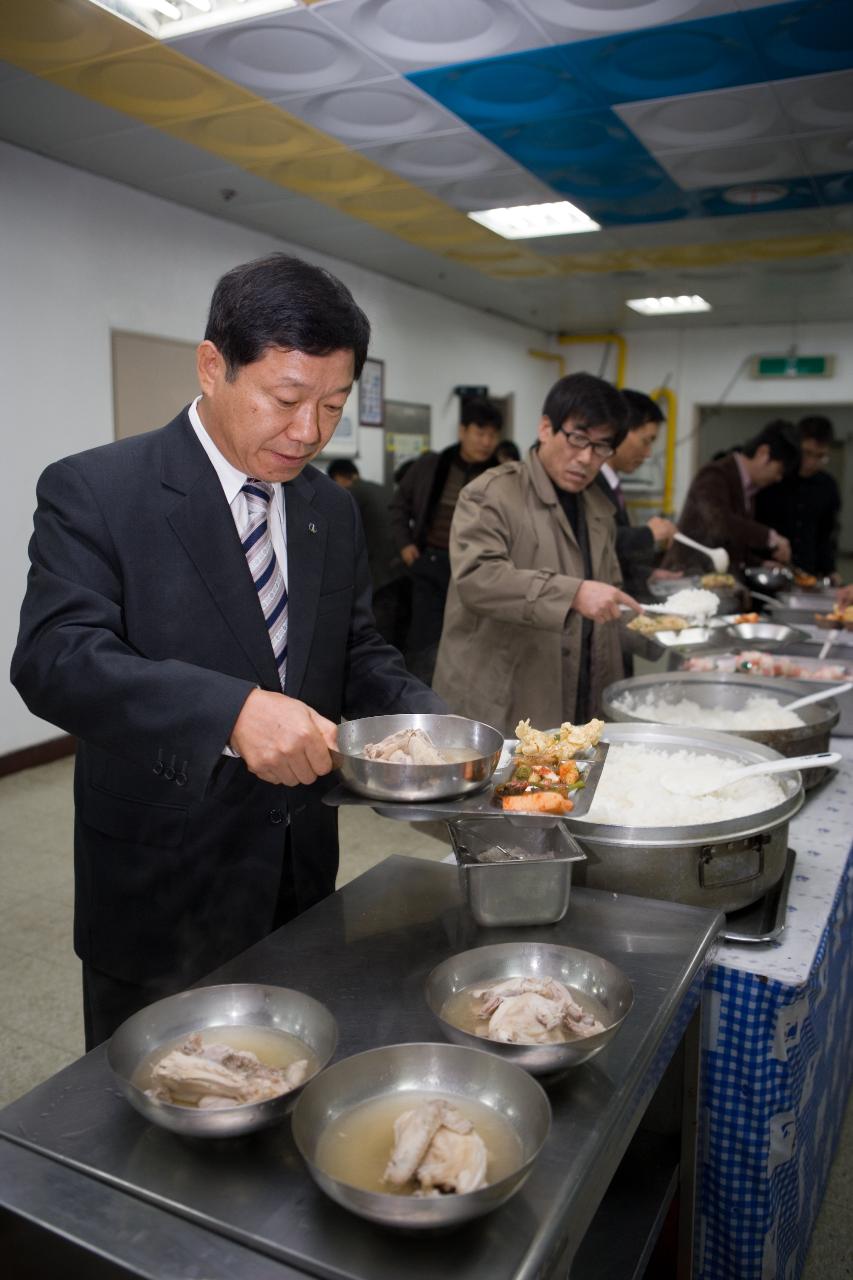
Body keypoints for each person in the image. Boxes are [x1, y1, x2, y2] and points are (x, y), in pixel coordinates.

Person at [11, 253, 443, 1049]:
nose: (308, 432)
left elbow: (352, 649)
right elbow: (55, 657)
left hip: (297, 867)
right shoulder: (98, 490)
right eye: (285, 399)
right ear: (213, 366)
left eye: (333, 405)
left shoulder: (328, 510)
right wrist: (231, 711)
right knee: (151, 1117)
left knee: (292, 1080)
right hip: (161, 877)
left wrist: (434, 725)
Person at [432, 372, 641, 734]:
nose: (586, 458)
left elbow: (610, 601)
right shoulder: (492, 493)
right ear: (546, 428)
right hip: (505, 702)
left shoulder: (598, 508)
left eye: (601, 447)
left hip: (578, 696)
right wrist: (573, 594)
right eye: (577, 439)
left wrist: (669, 634)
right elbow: (478, 579)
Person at [390, 397, 502, 683]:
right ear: (462, 431)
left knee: (470, 639)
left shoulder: (500, 476)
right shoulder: (432, 465)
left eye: (492, 435)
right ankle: (418, 699)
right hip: (431, 561)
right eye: (480, 432)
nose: (486, 441)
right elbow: (398, 505)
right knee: (423, 639)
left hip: (478, 570)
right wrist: (405, 544)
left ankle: (461, 701)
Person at [664, 419, 800, 577]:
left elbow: (731, 544)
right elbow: (718, 523)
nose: (778, 478)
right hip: (685, 578)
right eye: (779, 470)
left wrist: (760, 563)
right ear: (763, 453)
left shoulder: (749, 489)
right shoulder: (714, 474)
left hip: (714, 580)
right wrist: (770, 537)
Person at [596, 389, 677, 600]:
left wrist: (648, 573)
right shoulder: (592, 482)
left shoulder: (611, 481)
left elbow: (616, 555)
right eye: (646, 440)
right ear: (621, 431)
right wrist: (648, 534)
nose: (648, 453)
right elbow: (600, 540)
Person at [327, 459, 410, 649]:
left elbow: (339, 535)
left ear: (338, 478)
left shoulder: (351, 494)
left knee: (380, 628)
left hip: (380, 570)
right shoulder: (377, 488)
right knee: (399, 627)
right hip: (402, 566)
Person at [755, 415, 841, 579]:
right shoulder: (774, 478)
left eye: (820, 456)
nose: (811, 463)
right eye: (807, 453)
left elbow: (827, 535)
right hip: (768, 570)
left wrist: (830, 570)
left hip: (807, 572)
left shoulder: (828, 486)